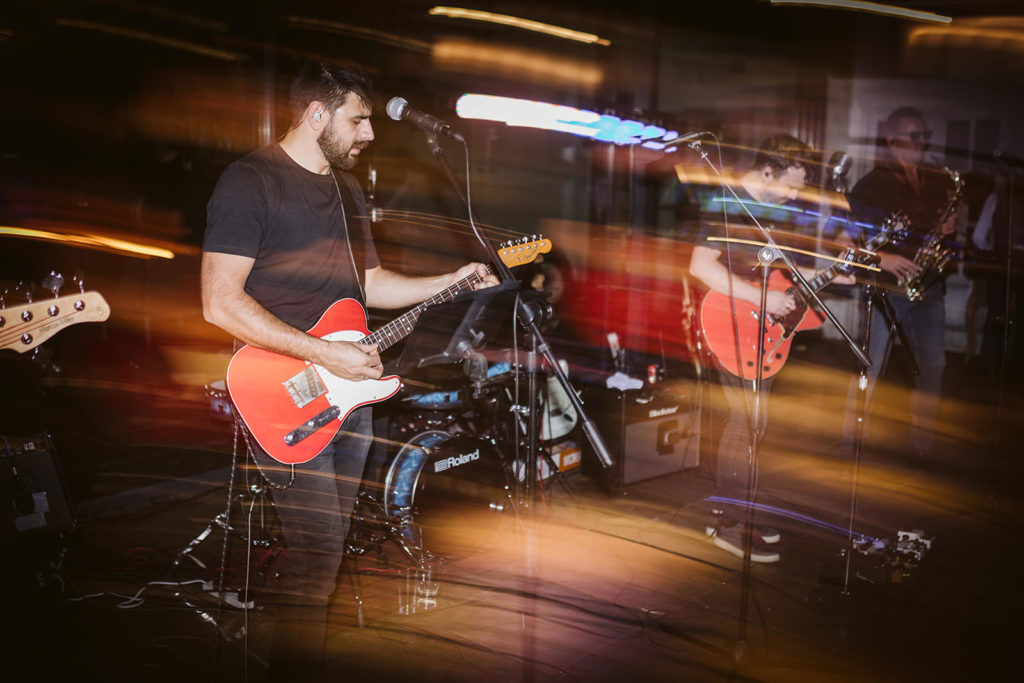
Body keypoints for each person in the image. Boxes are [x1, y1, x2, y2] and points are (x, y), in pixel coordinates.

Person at [200, 59, 497, 679]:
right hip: (283, 390)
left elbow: (368, 284)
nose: (368, 134)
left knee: (328, 554)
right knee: (315, 556)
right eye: (358, 120)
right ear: (317, 114)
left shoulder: (348, 190)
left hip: (350, 392)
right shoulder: (250, 182)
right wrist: (324, 352)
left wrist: (454, 279)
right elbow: (219, 302)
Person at [689, 134, 852, 563]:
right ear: (767, 172)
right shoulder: (727, 202)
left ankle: (741, 509)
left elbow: (779, 266)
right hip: (729, 322)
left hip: (759, 330)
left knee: (755, 425)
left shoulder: (769, 208)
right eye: (791, 186)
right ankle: (726, 521)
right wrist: (760, 299)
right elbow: (700, 266)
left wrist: (830, 272)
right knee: (745, 422)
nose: (794, 195)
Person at [840, 107, 960, 457]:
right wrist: (884, 259)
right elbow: (849, 240)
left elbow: (938, 233)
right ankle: (852, 444)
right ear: (892, 141)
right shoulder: (870, 186)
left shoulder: (935, 181)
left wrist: (946, 231)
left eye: (925, 137)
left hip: (928, 286)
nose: (922, 143)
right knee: (871, 365)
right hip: (886, 289)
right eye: (915, 136)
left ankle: (923, 446)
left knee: (934, 365)